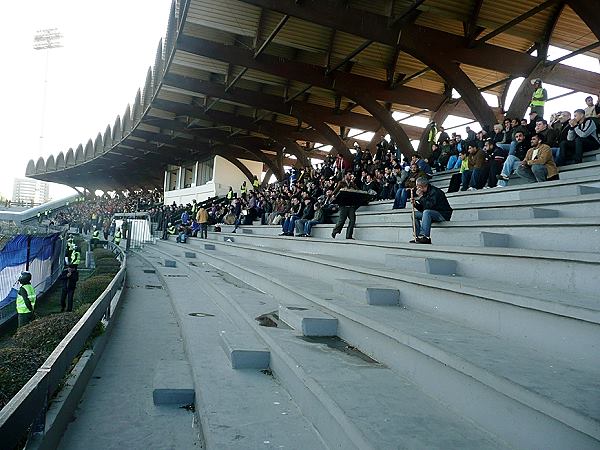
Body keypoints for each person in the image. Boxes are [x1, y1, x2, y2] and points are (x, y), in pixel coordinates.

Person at [410, 177, 452, 245]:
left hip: (443, 214)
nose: (416, 188)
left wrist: (421, 197)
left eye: (417, 186)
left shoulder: (435, 192)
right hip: (431, 213)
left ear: (421, 186)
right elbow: (424, 208)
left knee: (427, 212)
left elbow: (429, 207)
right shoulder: (425, 192)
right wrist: (415, 204)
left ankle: (425, 237)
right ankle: (417, 237)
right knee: (414, 214)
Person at [331, 171, 359, 240]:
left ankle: (349, 236)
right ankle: (335, 231)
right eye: (349, 174)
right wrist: (334, 196)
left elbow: (358, 190)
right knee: (342, 220)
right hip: (343, 205)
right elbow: (334, 192)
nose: (350, 176)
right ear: (345, 175)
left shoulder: (352, 184)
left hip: (350, 205)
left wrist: (353, 185)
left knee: (352, 220)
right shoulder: (341, 183)